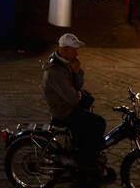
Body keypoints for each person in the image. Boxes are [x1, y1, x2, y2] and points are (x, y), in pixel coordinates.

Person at [42, 32, 110, 174]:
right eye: (74, 49)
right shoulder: (56, 70)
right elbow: (73, 97)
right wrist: (80, 95)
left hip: (70, 106)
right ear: (64, 49)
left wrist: (77, 72)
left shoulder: (67, 63)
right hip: (63, 111)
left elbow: (78, 86)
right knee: (98, 123)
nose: (77, 52)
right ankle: (85, 162)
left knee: (88, 124)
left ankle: (82, 153)